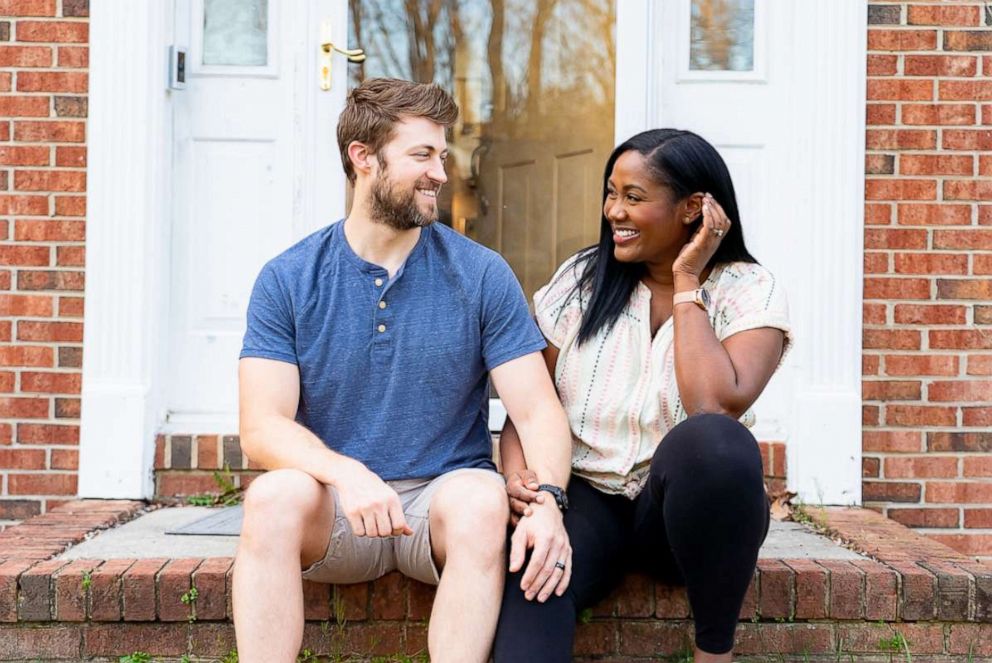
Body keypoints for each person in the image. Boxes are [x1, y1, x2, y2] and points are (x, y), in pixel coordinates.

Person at [232, 78, 573, 663]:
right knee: (272, 497)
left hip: (439, 508)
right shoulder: (288, 278)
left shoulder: (481, 274)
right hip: (337, 509)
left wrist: (549, 503)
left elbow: (538, 410)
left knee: (480, 499)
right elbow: (261, 428)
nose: (441, 172)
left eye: (441, 155)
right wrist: (346, 474)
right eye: (422, 155)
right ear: (363, 158)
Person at [493, 129, 793, 663]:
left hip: (680, 518)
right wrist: (532, 490)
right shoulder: (582, 280)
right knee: (531, 581)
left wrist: (686, 282)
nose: (614, 211)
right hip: (583, 497)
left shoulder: (748, 290)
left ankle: (713, 653)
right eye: (612, 193)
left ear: (692, 209)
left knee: (714, 443)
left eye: (634, 197)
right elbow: (528, 404)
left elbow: (713, 406)